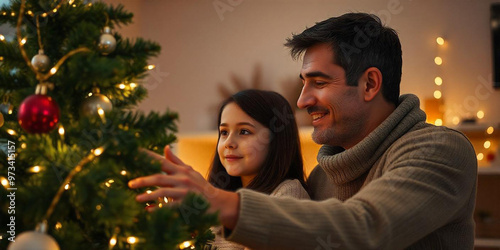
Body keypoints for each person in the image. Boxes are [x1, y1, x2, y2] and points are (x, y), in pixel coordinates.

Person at [128, 13, 477, 249]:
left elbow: (366, 228)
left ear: (370, 83)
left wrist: (217, 202)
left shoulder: (438, 149)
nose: (302, 100)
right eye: (303, 83)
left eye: (319, 82)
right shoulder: (322, 177)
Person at [207, 89, 309, 249]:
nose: (229, 142)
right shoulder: (217, 199)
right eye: (224, 132)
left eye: (244, 131)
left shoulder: (288, 195)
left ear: (276, 140)